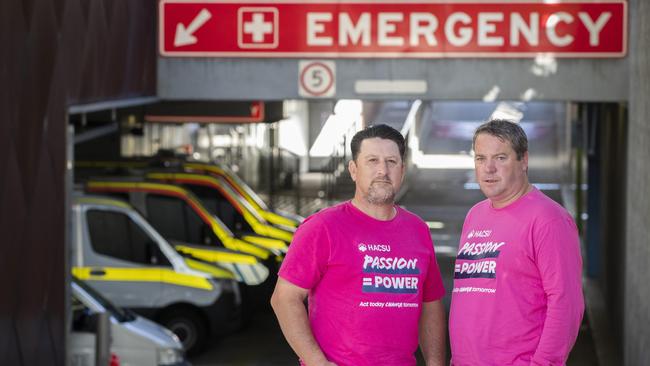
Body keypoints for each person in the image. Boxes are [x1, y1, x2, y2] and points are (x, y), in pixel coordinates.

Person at [271, 124, 446, 366]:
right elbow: (284, 299)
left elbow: (430, 303)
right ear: (353, 170)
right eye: (372, 161)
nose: (382, 170)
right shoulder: (323, 227)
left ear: (402, 171)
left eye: (391, 162)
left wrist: (436, 363)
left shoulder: (418, 230)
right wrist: (316, 362)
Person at [449, 119, 584, 365]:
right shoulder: (475, 215)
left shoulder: (548, 219)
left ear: (524, 160)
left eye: (500, 158)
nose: (488, 168)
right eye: (480, 158)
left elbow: (566, 303)